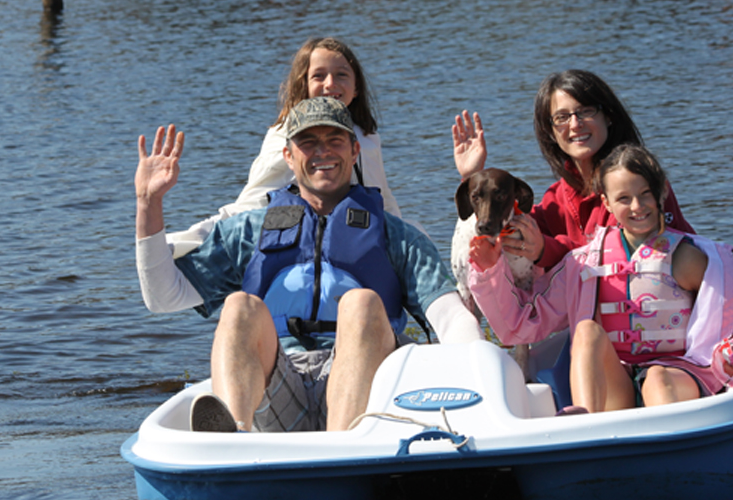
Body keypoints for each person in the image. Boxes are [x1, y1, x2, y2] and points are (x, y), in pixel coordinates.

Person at [135, 97, 481, 433]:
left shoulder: (396, 235)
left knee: (360, 303)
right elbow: (163, 298)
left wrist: (483, 377)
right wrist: (149, 203)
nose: (323, 151)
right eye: (308, 142)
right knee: (239, 305)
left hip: (371, 395)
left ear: (354, 150)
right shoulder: (249, 231)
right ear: (287, 155)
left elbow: (449, 317)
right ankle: (231, 443)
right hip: (278, 386)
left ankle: (343, 452)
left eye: (335, 140)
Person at [467, 144, 733, 412]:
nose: (637, 206)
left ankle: (668, 451)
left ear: (662, 192)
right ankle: (586, 429)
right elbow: (520, 326)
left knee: (658, 377)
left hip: (681, 375)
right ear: (606, 203)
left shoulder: (692, 259)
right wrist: (489, 272)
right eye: (624, 198)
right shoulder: (585, 264)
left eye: (645, 194)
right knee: (587, 330)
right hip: (618, 380)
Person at [167, 37, 401, 258]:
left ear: (357, 87)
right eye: (318, 76)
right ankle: (172, 248)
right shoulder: (286, 135)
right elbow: (250, 204)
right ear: (303, 84)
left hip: (353, 239)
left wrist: (406, 244)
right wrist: (186, 244)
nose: (331, 83)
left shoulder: (367, 137)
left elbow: (384, 198)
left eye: (341, 74)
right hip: (295, 242)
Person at [453, 69, 693, 272]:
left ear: (608, 116)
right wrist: (473, 178)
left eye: (586, 111)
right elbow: (503, 230)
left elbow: (622, 259)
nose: (575, 124)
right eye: (562, 117)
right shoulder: (554, 200)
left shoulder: (640, 183)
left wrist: (545, 250)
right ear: (551, 131)